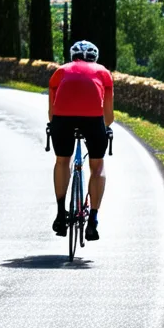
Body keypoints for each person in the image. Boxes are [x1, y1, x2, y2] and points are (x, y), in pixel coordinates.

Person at [47, 40, 114, 240]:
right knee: (98, 166)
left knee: (62, 161)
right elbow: (108, 117)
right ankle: (93, 220)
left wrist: (56, 123)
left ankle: (60, 213)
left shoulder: (60, 71)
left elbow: (51, 113)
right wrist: (105, 129)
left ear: (72, 57)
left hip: (63, 119)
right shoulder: (103, 73)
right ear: (95, 58)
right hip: (93, 120)